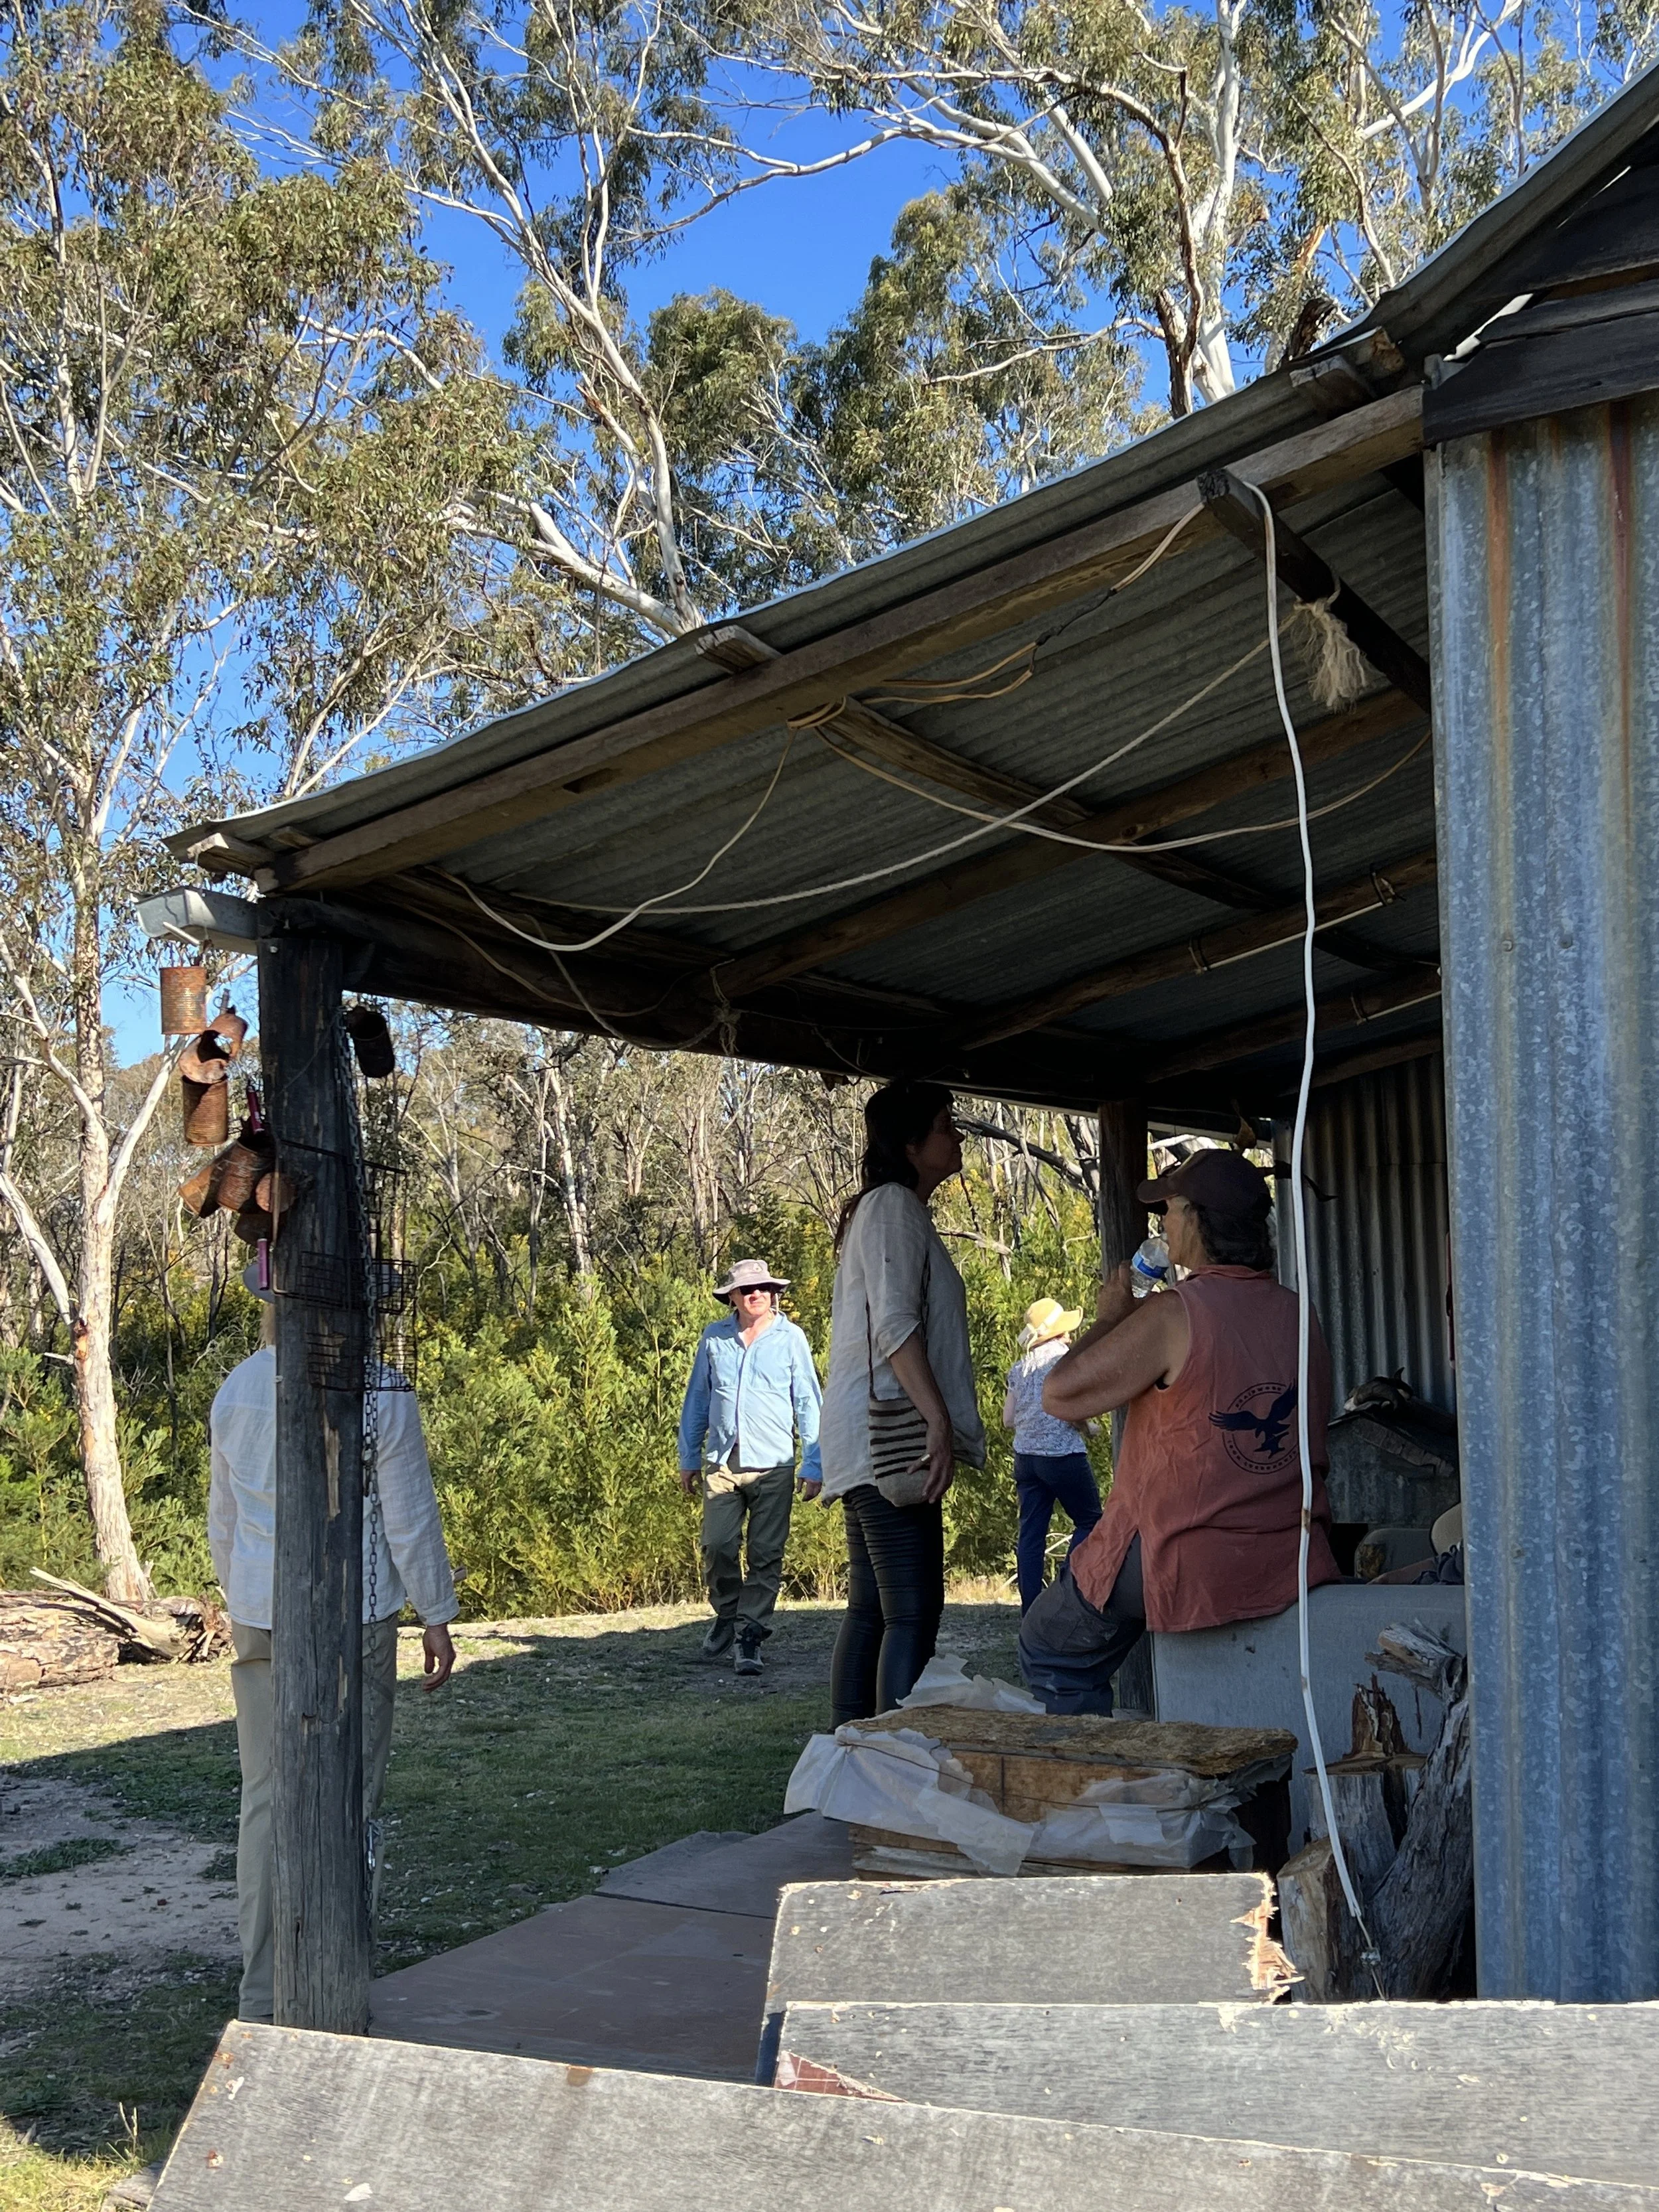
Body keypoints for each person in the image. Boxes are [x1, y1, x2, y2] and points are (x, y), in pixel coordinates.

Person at [208, 1263, 459, 2023]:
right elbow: (409, 1515)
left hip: (260, 1609)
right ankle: (335, 1977)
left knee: (266, 1800)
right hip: (354, 1615)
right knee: (354, 1795)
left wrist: (242, 1595)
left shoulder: (238, 1388)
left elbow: (224, 1521)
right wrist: (436, 1613)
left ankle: (262, 1993)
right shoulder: (379, 1388)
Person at [1018, 1149, 1340, 1715]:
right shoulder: (1301, 1313)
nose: (1162, 1224)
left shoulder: (1175, 1314)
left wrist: (1112, 1318)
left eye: (1169, 1209)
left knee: (1048, 1644)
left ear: (1197, 1219)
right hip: (1287, 1552)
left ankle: (1095, 1790)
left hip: (1189, 1555)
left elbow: (1059, 1394)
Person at [819, 1081, 986, 1724]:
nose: (958, 1137)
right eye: (946, 1126)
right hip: (890, 1432)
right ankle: (891, 1764)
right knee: (912, 1610)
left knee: (874, 1608)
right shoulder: (891, 1207)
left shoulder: (893, 1210)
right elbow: (893, 1326)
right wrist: (937, 1420)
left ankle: (853, 1758)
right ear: (912, 1146)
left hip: (870, 1433)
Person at [677, 1258, 823, 1676]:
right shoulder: (714, 1339)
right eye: (746, 1289)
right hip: (723, 1462)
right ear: (733, 1297)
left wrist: (813, 1464)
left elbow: (809, 1403)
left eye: (761, 1287)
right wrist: (689, 1457)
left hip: (775, 1464)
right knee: (717, 1545)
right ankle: (727, 1612)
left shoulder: (791, 1338)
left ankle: (750, 1636)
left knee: (765, 1554)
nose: (754, 1294)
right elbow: (698, 1402)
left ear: (773, 1292)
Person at [1002, 1297, 1102, 1611]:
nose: (1071, 1337)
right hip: (1061, 1455)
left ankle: (1031, 1609)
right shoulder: (1066, 1361)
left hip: (1026, 1459)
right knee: (1090, 1521)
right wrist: (1090, 1428)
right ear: (1059, 1334)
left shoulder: (1020, 1367)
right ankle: (1066, 1590)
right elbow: (1071, 1409)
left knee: (1031, 1534)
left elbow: (1007, 1420)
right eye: (1067, 1331)